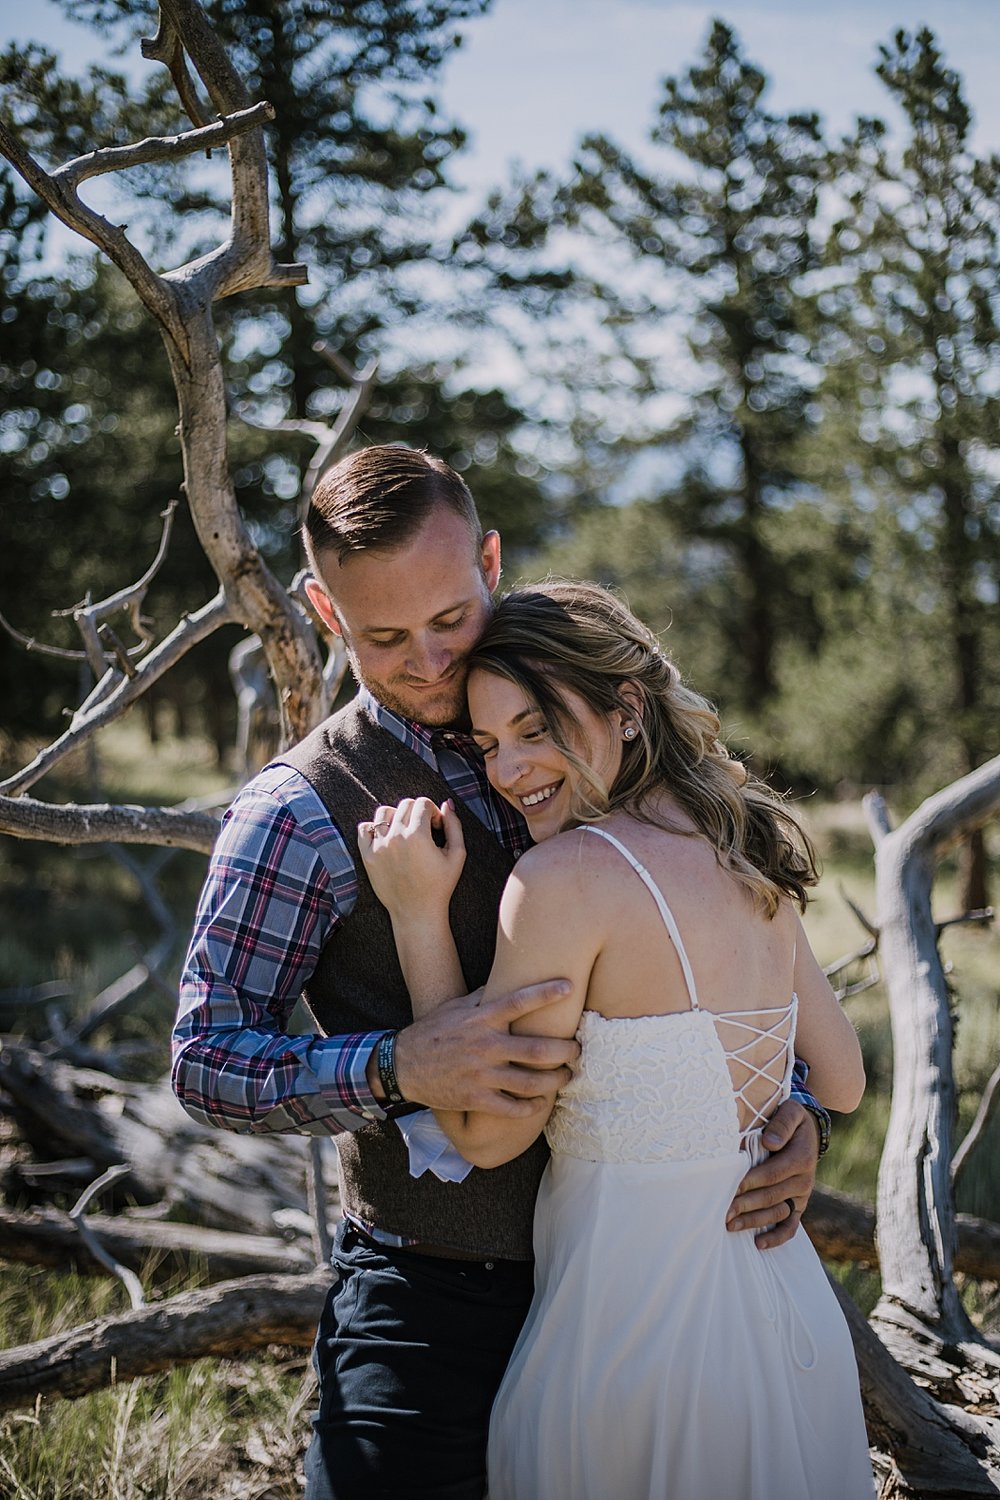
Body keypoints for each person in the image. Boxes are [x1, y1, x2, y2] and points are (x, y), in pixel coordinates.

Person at [172, 445, 832, 1500]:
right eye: (383, 637)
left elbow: (726, 952)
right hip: (433, 1295)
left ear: (488, 560)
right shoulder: (296, 813)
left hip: (656, 1282)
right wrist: (393, 1065)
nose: (430, 662)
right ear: (324, 611)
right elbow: (205, 1057)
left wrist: (789, 1110)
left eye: (449, 618)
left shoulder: (586, 717)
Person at [358, 579, 873, 1500]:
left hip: (633, 1339)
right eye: (488, 746)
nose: (510, 771)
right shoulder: (742, 842)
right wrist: (779, 1114)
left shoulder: (561, 880)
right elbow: (839, 1079)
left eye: (535, 728)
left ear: (626, 709)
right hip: (785, 1319)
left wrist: (416, 917)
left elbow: (484, 1134)